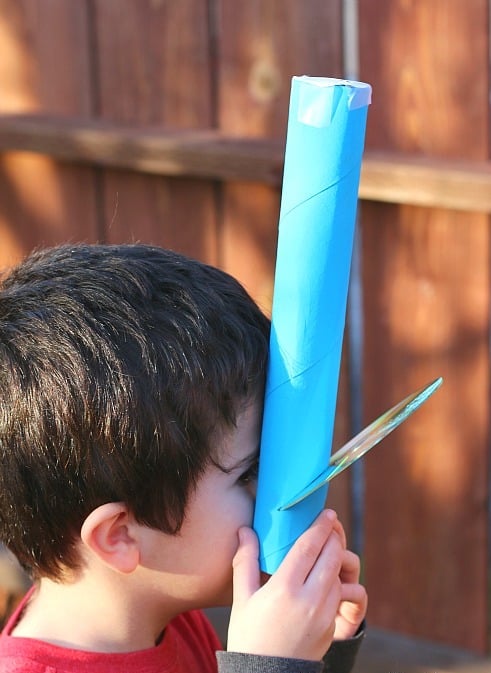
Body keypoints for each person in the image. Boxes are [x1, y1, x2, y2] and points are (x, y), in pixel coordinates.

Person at [0, 243, 367, 673]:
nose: (281, 490)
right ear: (120, 535)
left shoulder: (167, 615)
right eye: (250, 473)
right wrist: (270, 666)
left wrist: (323, 651)